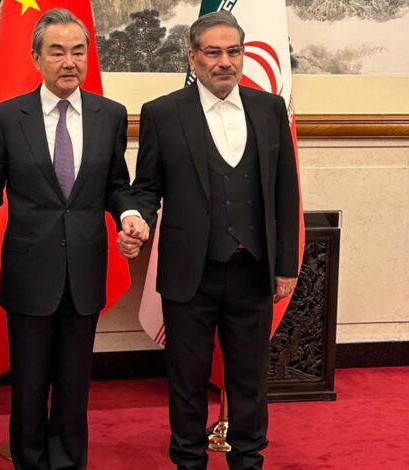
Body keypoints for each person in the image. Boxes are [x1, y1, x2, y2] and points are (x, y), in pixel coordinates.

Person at [0, 8, 147, 470]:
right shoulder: (8, 117)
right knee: (27, 389)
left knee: (73, 387)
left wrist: (129, 214)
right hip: (29, 273)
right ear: (36, 58)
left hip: (84, 272)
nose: (69, 62)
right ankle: (29, 461)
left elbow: (117, 186)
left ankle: (67, 464)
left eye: (78, 52)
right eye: (58, 52)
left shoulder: (109, 115)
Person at [118, 11, 300, 470]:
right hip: (189, 274)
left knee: (249, 380)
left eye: (233, 51)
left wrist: (285, 266)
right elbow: (147, 187)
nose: (225, 62)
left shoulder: (270, 110)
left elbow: (285, 192)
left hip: (252, 271)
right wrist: (136, 219)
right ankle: (188, 461)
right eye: (213, 52)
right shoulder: (162, 113)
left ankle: (248, 460)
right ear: (192, 58)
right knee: (187, 379)